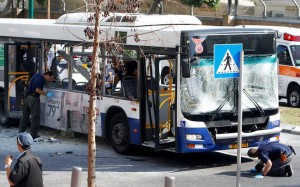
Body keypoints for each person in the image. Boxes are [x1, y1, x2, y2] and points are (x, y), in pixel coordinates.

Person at [19, 71, 54, 139]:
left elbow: (30, 84)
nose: (50, 80)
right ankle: (33, 135)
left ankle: (21, 132)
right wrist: (46, 94)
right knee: (35, 117)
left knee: (25, 116)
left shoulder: (36, 75)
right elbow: (37, 90)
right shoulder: (42, 79)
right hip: (34, 99)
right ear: (47, 75)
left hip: (27, 97)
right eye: (50, 78)